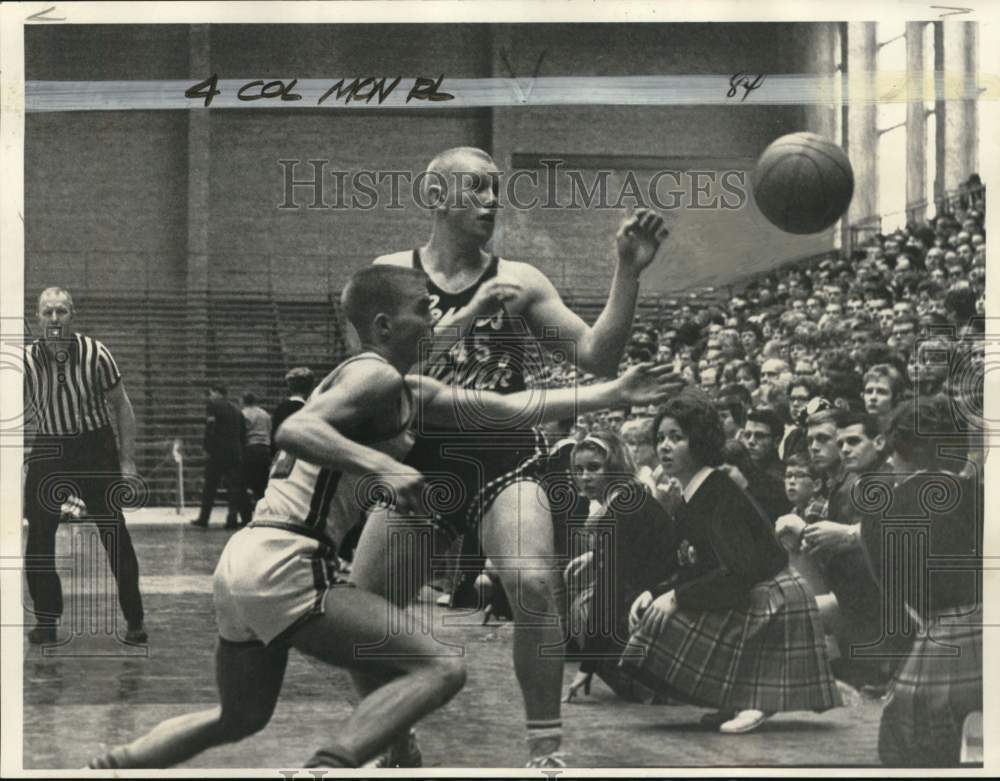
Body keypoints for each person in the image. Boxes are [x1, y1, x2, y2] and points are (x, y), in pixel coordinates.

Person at [87, 265, 677, 771]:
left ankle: (109, 766)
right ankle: (330, 770)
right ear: (386, 328)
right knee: (442, 666)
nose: (436, 322)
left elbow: (503, 407)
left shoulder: (406, 389)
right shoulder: (373, 372)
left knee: (237, 716)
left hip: (243, 563)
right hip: (288, 560)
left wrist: (609, 395)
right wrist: (384, 469)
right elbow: (296, 427)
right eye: (426, 312)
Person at [356, 146, 670, 767]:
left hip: (504, 454)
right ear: (436, 195)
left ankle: (545, 752)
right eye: (475, 188)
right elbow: (370, 376)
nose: (491, 201)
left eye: (496, 189)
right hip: (421, 460)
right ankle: (394, 735)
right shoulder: (389, 273)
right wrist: (469, 315)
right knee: (360, 615)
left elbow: (597, 358)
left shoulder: (521, 279)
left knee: (530, 582)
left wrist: (626, 273)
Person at [621, 389, 841, 734]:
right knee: (657, 612)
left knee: (673, 615)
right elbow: (699, 566)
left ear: (700, 441)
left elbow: (741, 575)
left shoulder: (718, 491)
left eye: (676, 437)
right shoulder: (690, 493)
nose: (664, 445)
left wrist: (677, 597)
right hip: (751, 589)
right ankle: (735, 697)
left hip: (775, 598)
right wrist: (657, 591)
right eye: (661, 437)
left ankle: (758, 698)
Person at [859, 398, 982, 766]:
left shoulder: (878, 513)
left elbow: (893, 593)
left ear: (900, 449)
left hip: (939, 640)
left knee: (912, 750)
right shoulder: (978, 496)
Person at [23, 287, 147, 645]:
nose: (55, 318)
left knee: (114, 532)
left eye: (61, 311)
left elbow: (122, 407)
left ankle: (134, 617)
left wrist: (127, 462)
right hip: (50, 446)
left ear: (72, 315)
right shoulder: (27, 361)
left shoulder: (96, 353)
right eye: (48, 312)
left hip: (95, 445)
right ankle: (47, 619)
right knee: (40, 536)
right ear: (38, 317)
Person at [562, 431, 676, 705]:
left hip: (660, 596)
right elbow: (637, 547)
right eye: (579, 470)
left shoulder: (618, 511)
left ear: (613, 468)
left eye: (594, 468)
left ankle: (650, 687)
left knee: (586, 608)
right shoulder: (629, 496)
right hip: (658, 587)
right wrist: (596, 555)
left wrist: (586, 666)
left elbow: (608, 592)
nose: (585, 477)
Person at [190, 386, 252, 529]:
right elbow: (243, 433)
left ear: (218, 393)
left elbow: (210, 427)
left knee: (210, 486)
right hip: (235, 453)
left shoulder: (213, 405)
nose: (209, 397)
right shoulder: (237, 409)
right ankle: (233, 518)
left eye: (210, 393)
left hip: (218, 453)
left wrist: (207, 447)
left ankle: (204, 518)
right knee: (235, 488)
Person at [271, 367, 315, 456]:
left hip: (281, 458)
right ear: (310, 388)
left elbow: (274, 438)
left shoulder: (280, 408)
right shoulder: (309, 410)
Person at [240, 392, 272, 506]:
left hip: (251, 447)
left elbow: (242, 432)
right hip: (265, 448)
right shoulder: (265, 414)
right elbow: (269, 430)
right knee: (263, 479)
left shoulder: (243, 414)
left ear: (243, 401)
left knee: (248, 478)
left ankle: (250, 503)